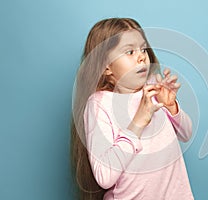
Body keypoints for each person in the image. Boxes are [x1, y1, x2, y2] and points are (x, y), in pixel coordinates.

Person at [71, 17, 194, 200]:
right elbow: (104, 177)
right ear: (106, 67)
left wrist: (171, 106)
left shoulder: (153, 89)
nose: (141, 56)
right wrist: (139, 121)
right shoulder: (99, 104)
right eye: (129, 51)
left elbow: (186, 133)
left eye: (143, 49)